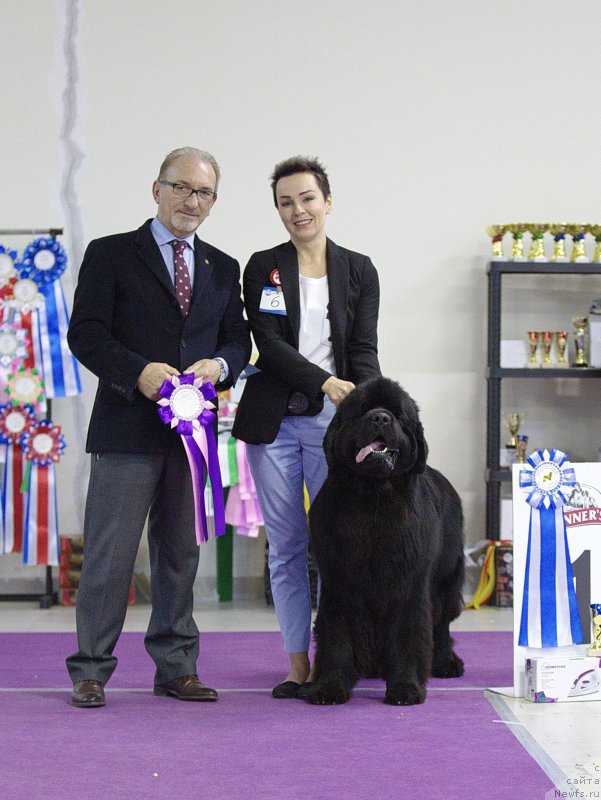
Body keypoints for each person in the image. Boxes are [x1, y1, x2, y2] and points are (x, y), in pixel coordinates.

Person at [66, 147, 251, 707]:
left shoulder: (223, 265)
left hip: (190, 439)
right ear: (156, 189)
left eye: (204, 193)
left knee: (180, 556)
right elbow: (87, 335)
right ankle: (91, 671)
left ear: (214, 201)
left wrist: (220, 367)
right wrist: (138, 373)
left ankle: (176, 667)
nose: (192, 201)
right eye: (182, 188)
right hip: (125, 430)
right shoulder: (110, 254)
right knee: (109, 557)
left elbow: (237, 339)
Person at [232, 156, 381, 698]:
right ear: (278, 210)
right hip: (273, 426)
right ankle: (298, 664)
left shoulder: (359, 269)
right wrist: (324, 381)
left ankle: (339, 657)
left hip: (334, 427)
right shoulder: (263, 265)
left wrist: (371, 412)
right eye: (286, 202)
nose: (298, 210)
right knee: (288, 547)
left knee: (338, 545)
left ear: (328, 201)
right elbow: (268, 348)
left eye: (307, 198)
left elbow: (363, 351)